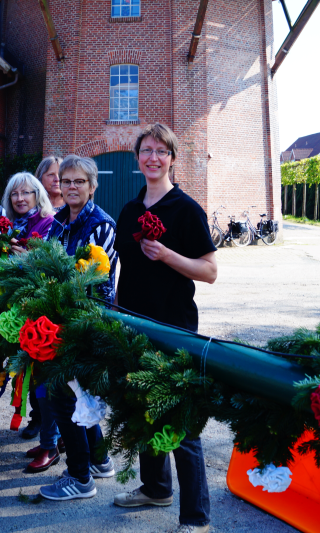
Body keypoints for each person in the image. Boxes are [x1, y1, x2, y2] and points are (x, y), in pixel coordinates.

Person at [112, 124, 217, 533]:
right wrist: (119, 315)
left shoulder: (186, 209)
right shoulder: (130, 210)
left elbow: (209, 272)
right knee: (143, 408)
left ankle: (196, 517)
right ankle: (155, 487)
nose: (153, 158)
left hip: (173, 328)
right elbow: (125, 269)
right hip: (135, 324)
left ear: (172, 158)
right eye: (146, 151)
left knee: (180, 419)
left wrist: (168, 255)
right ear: (137, 159)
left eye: (161, 151)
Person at [38, 154, 117, 501]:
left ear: (92, 186)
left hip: (85, 323)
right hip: (57, 320)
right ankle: (99, 460)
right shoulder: (57, 223)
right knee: (76, 396)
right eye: (65, 181)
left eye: (79, 182)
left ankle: (80, 478)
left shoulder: (102, 225)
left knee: (62, 397)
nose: (71, 187)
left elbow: (104, 285)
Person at [21, 156, 63, 440]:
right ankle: (38, 417)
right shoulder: (29, 213)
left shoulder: (62, 214)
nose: (58, 180)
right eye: (51, 175)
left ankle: (55, 430)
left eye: (63, 175)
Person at [1, 172, 55, 252]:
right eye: (14, 194)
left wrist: (27, 257)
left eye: (25, 192)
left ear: (37, 194)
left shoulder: (49, 222)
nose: (20, 199)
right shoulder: (7, 223)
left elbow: (48, 258)